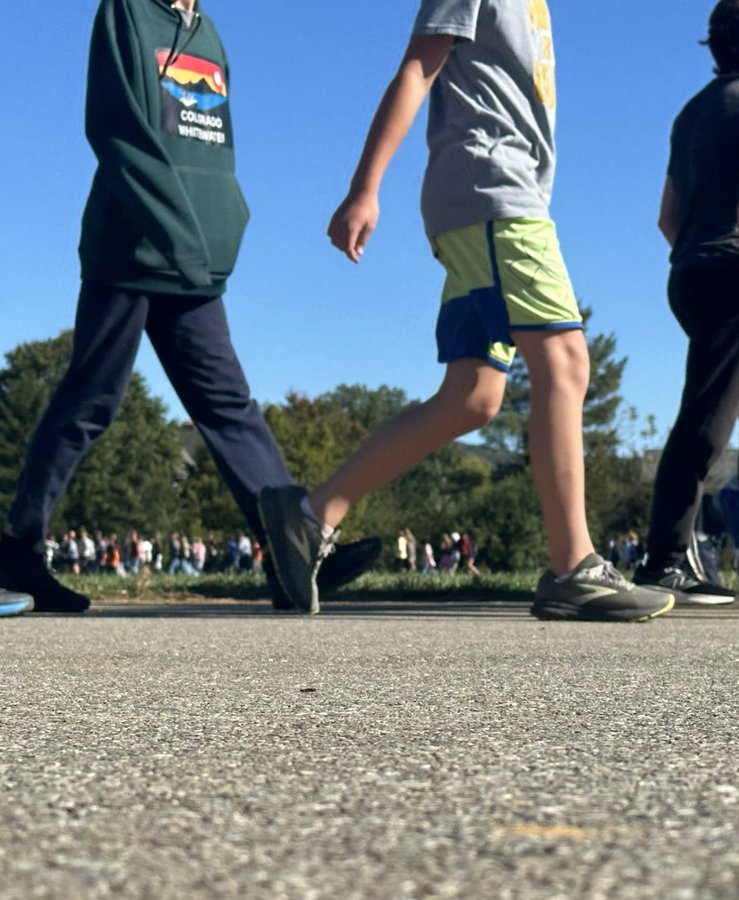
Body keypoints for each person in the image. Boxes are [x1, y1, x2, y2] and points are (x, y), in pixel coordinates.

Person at [257, 0, 673, 623]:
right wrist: (365, 187)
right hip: (492, 190)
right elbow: (417, 69)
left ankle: (312, 515)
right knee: (565, 363)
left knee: (472, 396)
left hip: (493, 198)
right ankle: (574, 568)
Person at [0, 0, 380, 613]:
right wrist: (177, 230)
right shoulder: (127, 12)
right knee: (91, 399)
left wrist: (221, 221)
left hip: (195, 257)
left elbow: (214, 148)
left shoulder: (208, 32)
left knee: (228, 404)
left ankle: (294, 548)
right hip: (133, 245)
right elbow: (116, 129)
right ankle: (18, 551)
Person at [628, 0, 739, 608]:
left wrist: (696, 257)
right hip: (735, 280)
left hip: (690, 274)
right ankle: (664, 560)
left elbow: (666, 217)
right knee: (706, 424)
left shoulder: (691, 112)